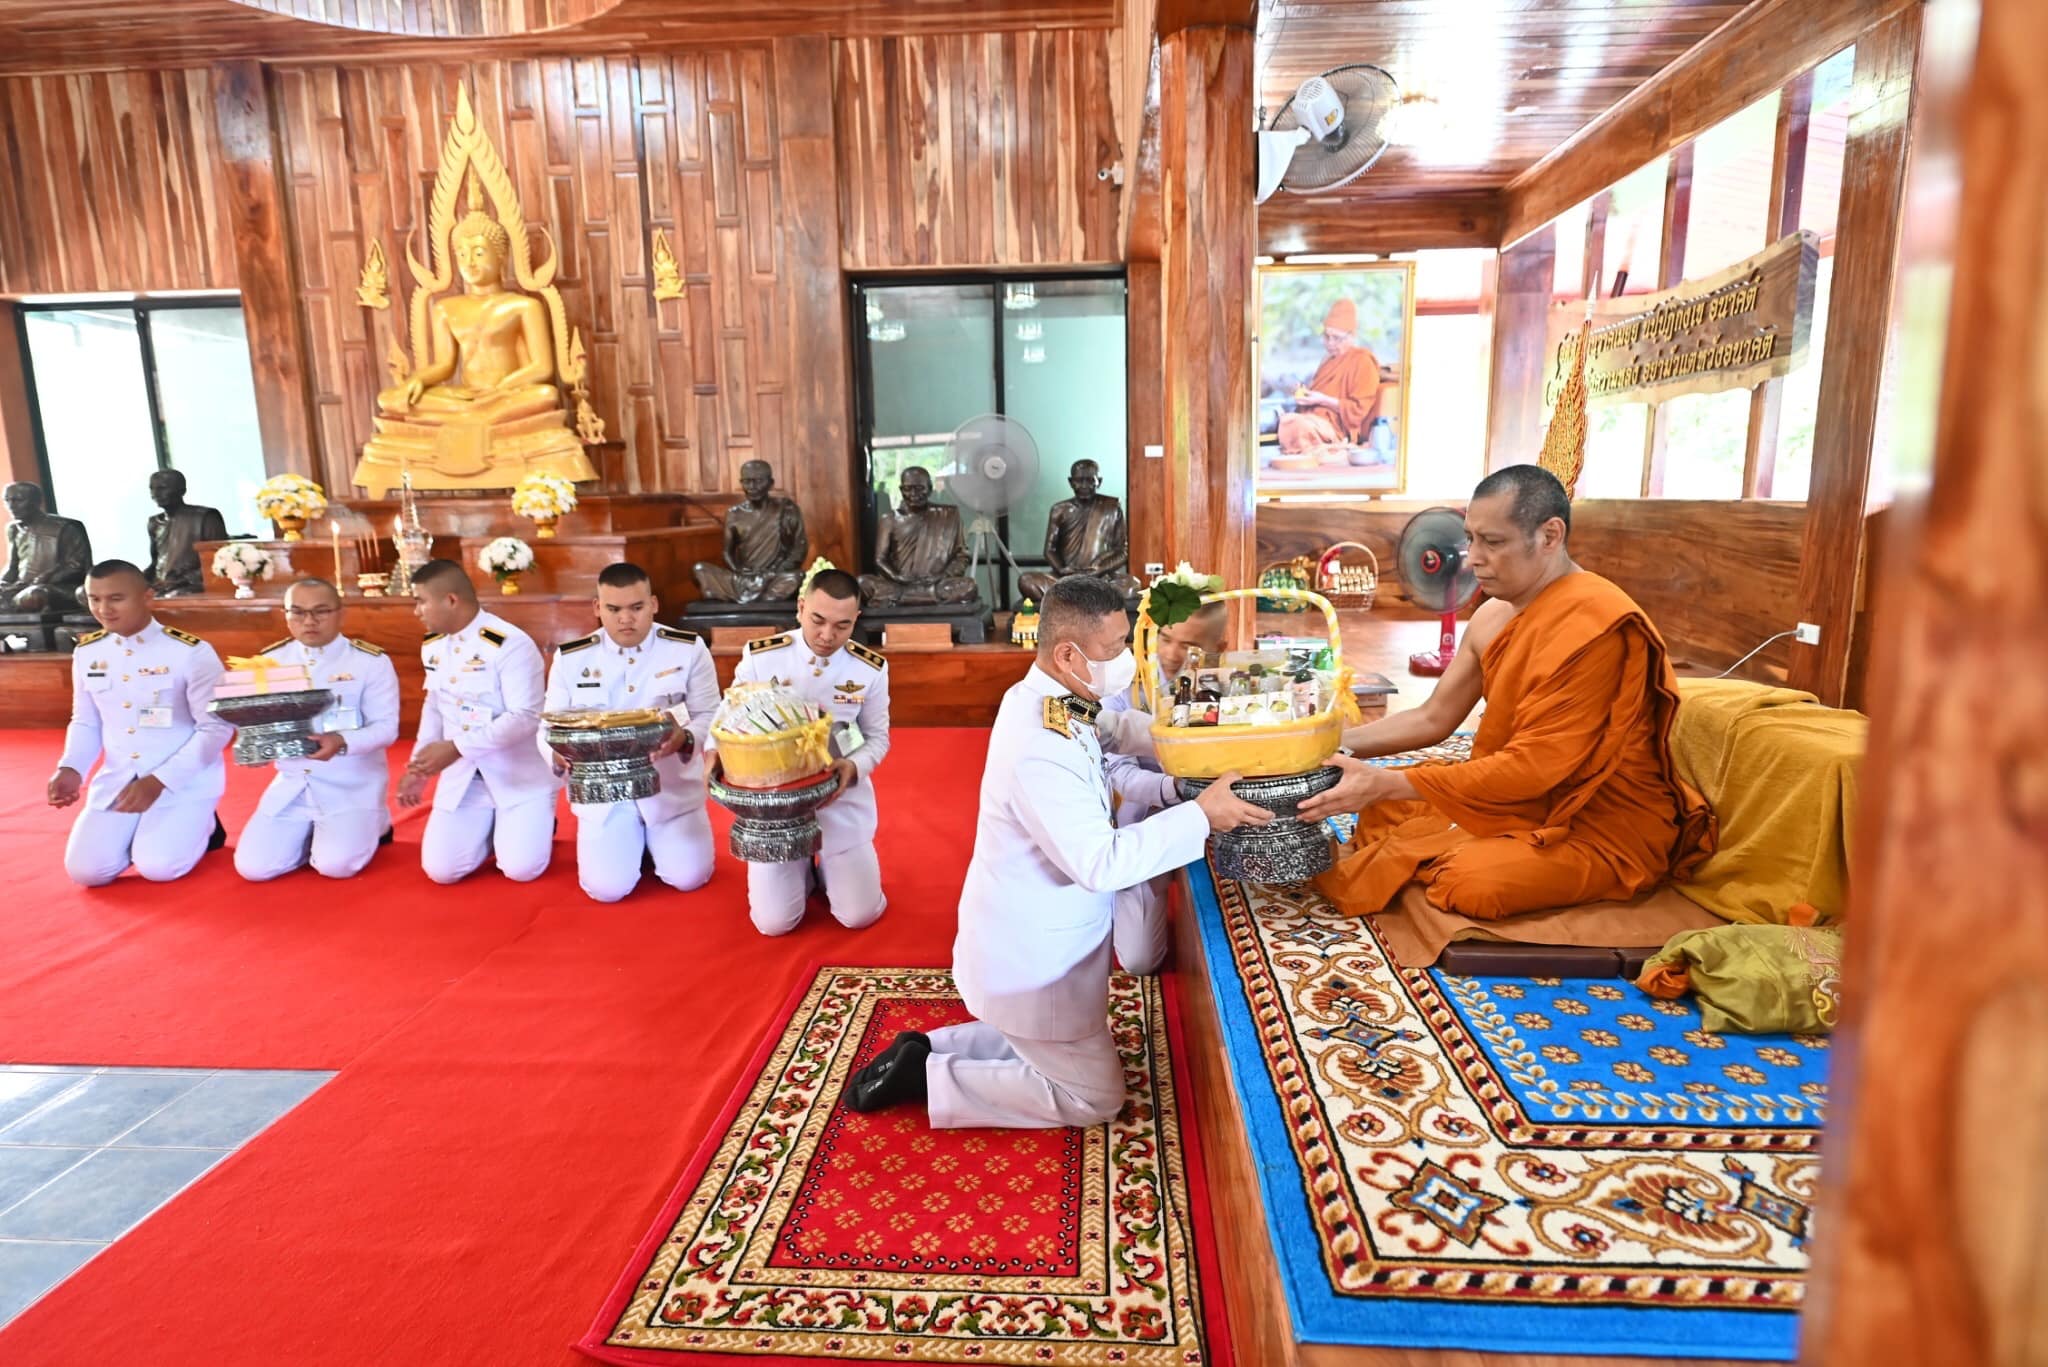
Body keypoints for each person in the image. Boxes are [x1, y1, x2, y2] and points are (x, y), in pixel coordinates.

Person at [844, 575, 1271, 1127]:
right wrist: (1201, 814)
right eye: (1115, 649)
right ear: (1069, 653)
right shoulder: (1039, 747)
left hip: (1040, 938)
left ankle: (929, 1046)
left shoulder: (1051, 697)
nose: (1127, 662)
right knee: (1095, 1099)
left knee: (1044, 1045)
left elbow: (1116, 728)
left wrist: (1197, 736)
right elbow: (1101, 862)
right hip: (1033, 956)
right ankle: (931, 1077)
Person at [1297, 465, 1715, 920]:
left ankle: (1449, 857)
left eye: (1493, 542)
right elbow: (1433, 718)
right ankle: (1442, 851)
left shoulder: (1597, 625)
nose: (1473, 557)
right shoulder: (1492, 615)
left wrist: (1393, 781)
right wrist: (1320, 744)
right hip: (1518, 801)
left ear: (1550, 535)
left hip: (1595, 822)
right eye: (1470, 538)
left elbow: (1533, 770)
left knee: (1472, 883)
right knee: (1383, 812)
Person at [722, 568, 890, 935]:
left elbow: (878, 737)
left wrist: (853, 766)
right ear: (800, 608)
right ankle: (801, 870)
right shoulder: (762, 657)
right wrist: (710, 758)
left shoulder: (869, 668)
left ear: (856, 620)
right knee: (773, 924)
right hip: (775, 809)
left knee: (859, 916)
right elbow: (728, 716)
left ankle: (832, 865)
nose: (828, 636)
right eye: (818, 620)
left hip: (839, 801)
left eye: (842, 626)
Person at [543, 562, 720, 902]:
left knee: (689, 878)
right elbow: (549, 724)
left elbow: (711, 714)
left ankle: (653, 845)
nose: (626, 619)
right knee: (607, 890)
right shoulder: (571, 658)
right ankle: (631, 844)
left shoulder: (687, 648)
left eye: (636, 608)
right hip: (604, 796)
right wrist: (557, 753)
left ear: (653, 604)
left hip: (668, 788)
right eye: (614, 609)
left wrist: (684, 739)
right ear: (597, 608)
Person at [48, 560, 229, 885]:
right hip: (119, 780)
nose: (104, 609)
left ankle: (205, 826)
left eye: (116, 598)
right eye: (95, 598)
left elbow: (216, 728)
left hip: (181, 782)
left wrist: (159, 780)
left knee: (159, 868)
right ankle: (146, 833)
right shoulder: (88, 652)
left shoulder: (190, 652)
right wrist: (71, 767)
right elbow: (86, 721)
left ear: (147, 597)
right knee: (87, 872)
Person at [1092, 599, 1230, 974]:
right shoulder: (1124, 684)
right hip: (1147, 820)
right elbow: (1119, 773)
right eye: (1166, 639)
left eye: (1189, 646)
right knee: (1138, 961)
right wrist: (1181, 791)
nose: (1171, 654)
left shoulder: (1230, 682)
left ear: (1220, 647)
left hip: (1221, 816)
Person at [398, 558, 556, 884]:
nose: (417, 611)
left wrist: (457, 747)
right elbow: (434, 706)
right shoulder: (433, 646)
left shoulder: (509, 644)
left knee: (521, 870)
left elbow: (525, 717)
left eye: (421, 601)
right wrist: (418, 769)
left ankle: (531, 824)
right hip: (466, 780)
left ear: (451, 600)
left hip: (517, 777)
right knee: (441, 872)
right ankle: (495, 833)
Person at [233, 578, 400, 881]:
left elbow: (387, 729)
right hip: (293, 784)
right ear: (285, 614)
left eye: (320, 611)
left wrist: (341, 740)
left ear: (341, 613)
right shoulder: (270, 662)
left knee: (335, 867)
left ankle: (375, 822)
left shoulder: (369, 662)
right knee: (253, 868)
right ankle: (313, 835)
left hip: (349, 785)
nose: (308, 621)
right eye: (297, 612)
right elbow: (260, 725)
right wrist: (255, 749)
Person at [1016, 459, 1142, 602]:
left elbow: (1122, 551)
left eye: (1090, 480)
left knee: (1133, 585)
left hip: (1099, 577)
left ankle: (1072, 598)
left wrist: (1100, 569)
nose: (1084, 486)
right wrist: (1062, 570)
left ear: (1098, 481)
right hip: (1065, 577)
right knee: (1026, 581)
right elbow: (1049, 550)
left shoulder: (1111, 508)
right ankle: (1087, 597)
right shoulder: (1060, 510)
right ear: (1071, 482)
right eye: (1079, 480)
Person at [1275, 298, 1384, 455]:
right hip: (1311, 420)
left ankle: (1332, 447)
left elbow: (1358, 411)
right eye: (1326, 337)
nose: (1330, 343)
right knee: (1285, 419)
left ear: (1352, 336)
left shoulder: (1363, 361)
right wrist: (1305, 395)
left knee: (1293, 424)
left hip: (1335, 428)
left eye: (1337, 338)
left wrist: (1322, 400)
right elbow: (1318, 393)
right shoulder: (1328, 360)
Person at [691, 459, 808, 603]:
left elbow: (799, 548)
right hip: (743, 577)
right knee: (700, 569)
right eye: (747, 481)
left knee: (796, 577)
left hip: (773, 576)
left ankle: (754, 598)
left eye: (758, 481)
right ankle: (761, 598)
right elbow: (727, 552)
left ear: (771, 483)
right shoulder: (734, 514)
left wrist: (775, 571)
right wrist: (738, 569)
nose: (752, 487)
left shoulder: (786, 509)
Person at [859, 466, 978, 606]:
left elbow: (961, 555)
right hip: (899, 584)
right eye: (908, 489)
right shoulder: (889, 519)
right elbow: (880, 560)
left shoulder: (949, 515)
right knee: (862, 583)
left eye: (919, 488)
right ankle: (925, 599)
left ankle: (901, 600)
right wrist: (897, 577)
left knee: (968, 586)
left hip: (936, 584)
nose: (914, 494)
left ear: (930, 488)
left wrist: (942, 576)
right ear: (901, 490)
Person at [0, 482, 91, 612]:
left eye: (18, 500)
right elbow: (12, 567)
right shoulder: (13, 529)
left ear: (37, 502)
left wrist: (47, 577)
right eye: (7, 500)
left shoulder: (64, 527)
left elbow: (76, 566)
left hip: (57, 587)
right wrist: (3, 583)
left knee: (35, 596)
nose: (11, 506)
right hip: (20, 587)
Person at [145, 469, 228, 598]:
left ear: (182, 490)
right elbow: (155, 563)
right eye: (152, 489)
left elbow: (220, 560)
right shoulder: (154, 522)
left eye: (162, 488)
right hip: (161, 588)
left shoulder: (205, 517)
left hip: (192, 587)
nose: (155, 494)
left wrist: (180, 580)